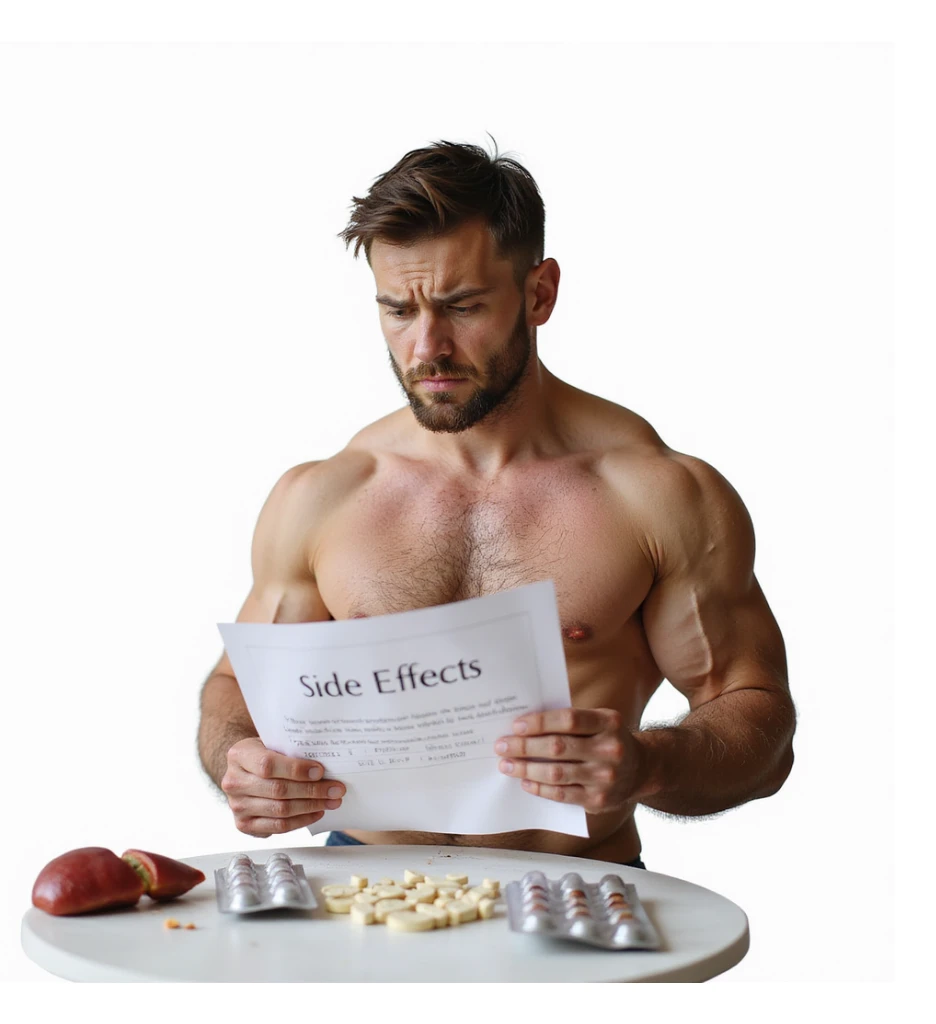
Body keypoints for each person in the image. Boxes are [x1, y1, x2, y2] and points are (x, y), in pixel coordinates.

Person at [196, 137, 796, 868]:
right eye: (397, 310)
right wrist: (242, 758)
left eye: (463, 307)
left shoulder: (657, 494)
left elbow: (760, 727)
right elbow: (235, 688)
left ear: (538, 293)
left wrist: (650, 762)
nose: (426, 348)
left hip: (572, 889)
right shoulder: (324, 496)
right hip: (363, 891)